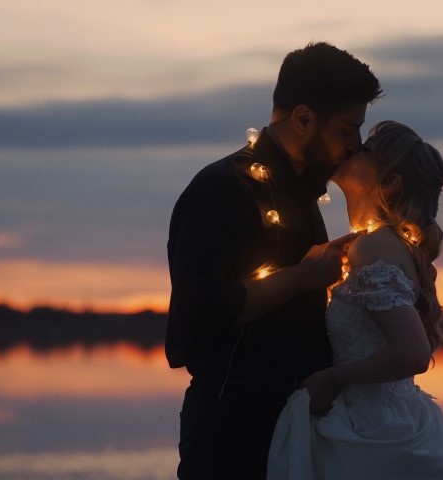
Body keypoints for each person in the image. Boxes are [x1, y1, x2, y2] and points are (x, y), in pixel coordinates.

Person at [165, 42, 382, 479]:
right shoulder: (222, 188)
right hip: (233, 427)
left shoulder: (303, 193)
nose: (356, 145)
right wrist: (302, 278)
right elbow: (200, 309)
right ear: (303, 119)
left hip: (293, 422)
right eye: (346, 129)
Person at [267, 121, 443, 479]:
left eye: (365, 150)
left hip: (376, 432)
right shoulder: (379, 243)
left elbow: (413, 353)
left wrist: (332, 378)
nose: (351, 148)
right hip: (387, 420)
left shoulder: (374, 245)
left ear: (390, 182)